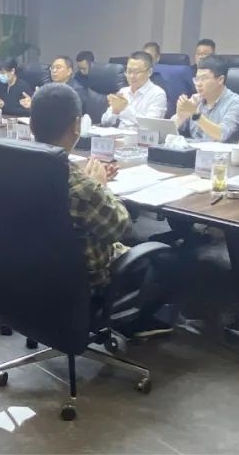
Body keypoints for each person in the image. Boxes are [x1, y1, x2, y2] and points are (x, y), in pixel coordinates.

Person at [30, 83, 176, 336]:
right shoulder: (79, 185)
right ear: (77, 125)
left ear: (32, 125)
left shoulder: (17, 164)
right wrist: (100, 187)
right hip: (86, 283)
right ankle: (136, 323)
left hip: (30, 275)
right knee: (169, 259)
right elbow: (121, 228)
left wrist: (92, 184)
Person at [173, 56, 239, 142]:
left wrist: (195, 114)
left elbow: (221, 135)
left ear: (220, 80)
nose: (198, 84)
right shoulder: (195, 101)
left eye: (204, 79)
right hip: (195, 149)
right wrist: (180, 116)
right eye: (197, 79)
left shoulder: (236, 103)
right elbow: (167, 132)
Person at [100, 52, 167, 128]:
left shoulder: (158, 94)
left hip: (141, 135)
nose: (132, 76)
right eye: (129, 71)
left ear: (149, 72)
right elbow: (104, 122)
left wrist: (125, 108)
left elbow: (150, 126)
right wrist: (115, 111)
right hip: (119, 134)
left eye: (137, 72)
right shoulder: (123, 92)